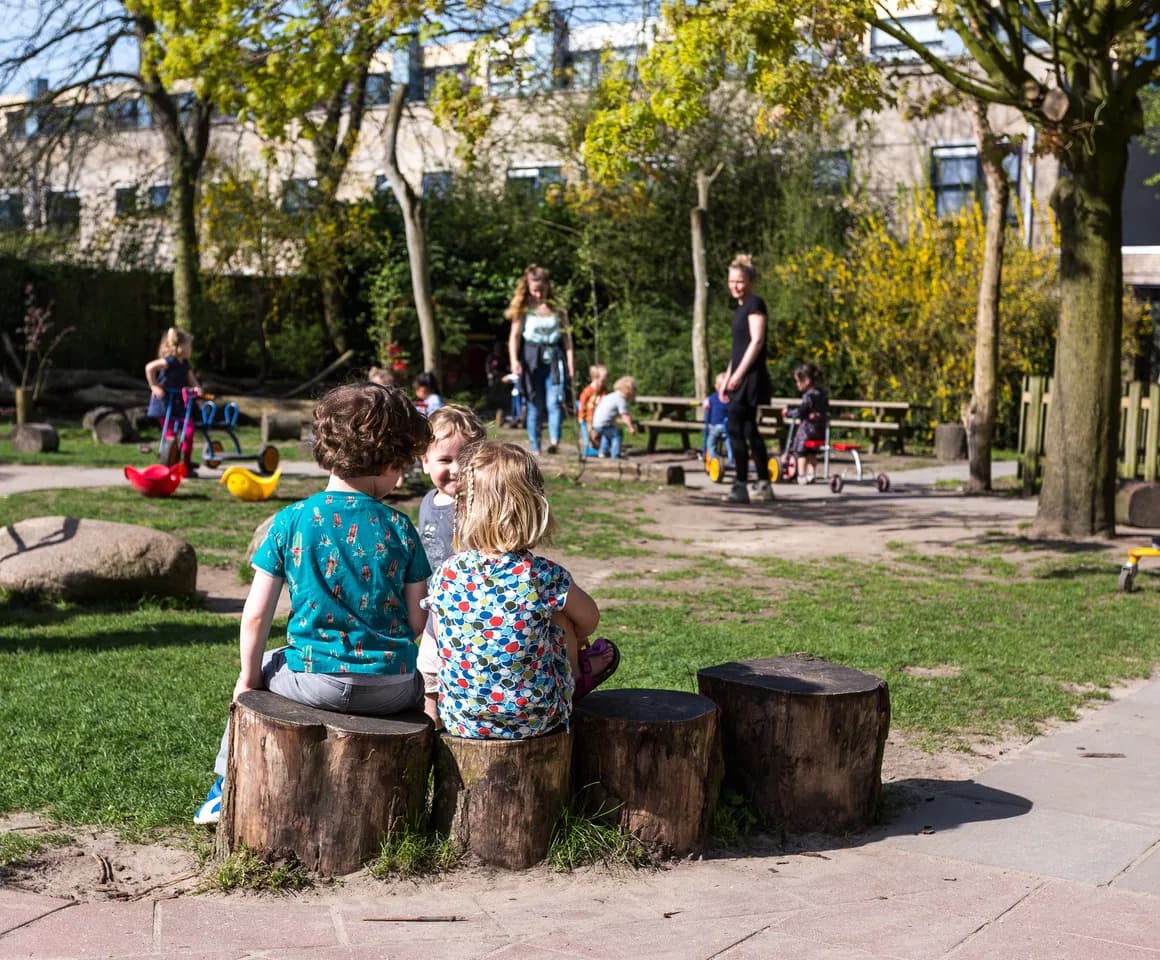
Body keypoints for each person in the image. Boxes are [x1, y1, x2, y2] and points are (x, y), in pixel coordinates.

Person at [193, 382, 433, 825]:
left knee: (265, 663)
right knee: (421, 682)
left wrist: (248, 679)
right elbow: (418, 619)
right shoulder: (401, 527)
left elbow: (258, 614)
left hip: (312, 679)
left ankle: (223, 786)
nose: (401, 477)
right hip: (393, 686)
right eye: (401, 466)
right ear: (385, 460)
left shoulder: (290, 521)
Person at [424, 441, 619, 739]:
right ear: (533, 507)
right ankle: (577, 677)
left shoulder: (447, 572)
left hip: (461, 719)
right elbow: (590, 618)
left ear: (463, 508)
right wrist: (577, 636)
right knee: (562, 618)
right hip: (537, 719)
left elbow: (440, 636)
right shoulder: (544, 575)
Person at [415, 404, 488, 724]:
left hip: (476, 607)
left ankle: (473, 714)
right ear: (424, 461)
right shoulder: (427, 502)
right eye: (445, 460)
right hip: (437, 606)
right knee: (428, 673)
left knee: (469, 667)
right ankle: (432, 729)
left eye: (466, 459)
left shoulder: (480, 505)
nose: (456, 469)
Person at [506, 264, 574, 455]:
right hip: (531, 358)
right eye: (534, 290)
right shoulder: (523, 308)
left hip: (554, 358)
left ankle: (554, 441)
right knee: (534, 403)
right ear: (528, 287)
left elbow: (567, 337)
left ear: (547, 286)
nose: (538, 294)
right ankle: (535, 445)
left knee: (554, 401)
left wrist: (570, 362)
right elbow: (514, 337)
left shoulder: (557, 308)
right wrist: (514, 361)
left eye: (541, 289)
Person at [723, 255, 774, 504]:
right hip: (739, 376)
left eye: (740, 281)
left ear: (750, 281)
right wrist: (726, 378)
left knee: (735, 427)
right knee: (747, 429)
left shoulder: (755, 304)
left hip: (750, 378)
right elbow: (738, 348)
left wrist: (739, 375)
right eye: (732, 281)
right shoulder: (741, 308)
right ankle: (763, 483)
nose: (735, 286)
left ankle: (741, 484)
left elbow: (756, 342)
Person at [145, 326, 202, 476]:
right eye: (189, 346)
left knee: (188, 431)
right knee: (170, 434)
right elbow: (149, 367)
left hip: (181, 404)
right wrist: (154, 386)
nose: (191, 349)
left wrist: (197, 389)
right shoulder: (169, 361)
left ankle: (186, 463)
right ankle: (171, 461)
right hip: (165, 404)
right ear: (181, 347)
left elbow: (193, 382)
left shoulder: (185, 365)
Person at [783, 362, 829, 484]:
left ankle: (802, 475)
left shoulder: (807, 396)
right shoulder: (822, 394)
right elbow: (825, 409)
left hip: (807, 430)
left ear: (807, 381)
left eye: (798, 382)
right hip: (820, 429)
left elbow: (802, 411)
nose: (797, 385)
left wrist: (788, 412)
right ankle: (811, 474)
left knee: (801, 452)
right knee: (813, 452)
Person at [591, 375, 638, 459]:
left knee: (608, 434)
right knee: (617, 433)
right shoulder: (620, 399)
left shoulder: (610, 396)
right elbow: (625, 415)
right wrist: (631, 427)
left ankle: (603, 452)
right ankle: (615, 454)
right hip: (604, 423)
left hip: (596, 423)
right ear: (628, 391)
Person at [576, 363, 609, 456]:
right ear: (595, 378)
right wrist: (581, 416)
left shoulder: (603, 391)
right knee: (588, 434)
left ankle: (598, 448)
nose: (604, 383)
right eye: (602, 381)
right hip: (587, 417)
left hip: (598, 418)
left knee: (596, 434)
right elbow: (582, 404)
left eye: (605, 381)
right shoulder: (588, 391)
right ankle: (588, 448)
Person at [702, 371, 733, 467]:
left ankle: (713, 458)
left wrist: (706, 403)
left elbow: (706, 402)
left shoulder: (713, 397)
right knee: (730, 443)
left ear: (716, 386)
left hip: (716, 427)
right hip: (729, 426)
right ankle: (732, 460)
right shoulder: (732, 398)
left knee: (710, 442)